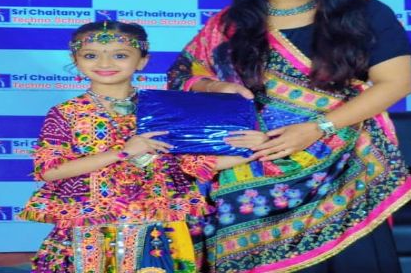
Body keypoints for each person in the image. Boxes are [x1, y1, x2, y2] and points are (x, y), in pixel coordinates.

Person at [167, 0, 411, 272]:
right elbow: (182, 75)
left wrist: (318, 128)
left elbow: (395, 83)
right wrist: (215, 86)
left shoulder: (363, 14)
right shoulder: (228, 25)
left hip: (340, 163)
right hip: (248, 161)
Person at [19, 21, 252, 272]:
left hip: (157, 227)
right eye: (90, 55)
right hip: (90, 227)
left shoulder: (164, 108)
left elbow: (193, 163)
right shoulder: (66, 113)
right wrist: (124, 152)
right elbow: (50, 171)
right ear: (75, 60)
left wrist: (251, 149)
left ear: (142, 61)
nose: (105, 63)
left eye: (120, 55)